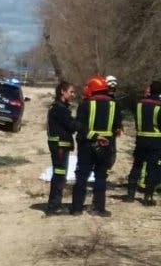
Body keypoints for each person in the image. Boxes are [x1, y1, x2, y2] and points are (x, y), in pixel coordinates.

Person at [70, 75, 123, 216]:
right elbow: (117, 126)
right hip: (106, 145)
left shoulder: (85, 104)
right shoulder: (114, 104)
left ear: (93, 88)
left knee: (82, 176)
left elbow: (80, 126)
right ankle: (99, 208)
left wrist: (92, 136)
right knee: (101, 176)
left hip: (87, 145)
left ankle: (76, 208)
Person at [126, 80, 161, 205]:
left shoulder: (139, 104)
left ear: (150, 90)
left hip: (141, 139)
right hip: (156, 141)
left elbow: (137, 121)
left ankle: (130, 194)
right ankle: (148, 197)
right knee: (152, 169)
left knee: (136, 166)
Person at [45, 80, 77, 215]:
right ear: (62, 92)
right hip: (59, 147)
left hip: (60, 147)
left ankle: (55, 204)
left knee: (60, 175)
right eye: (71, 92)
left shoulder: (60, 107)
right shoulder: (59, 108)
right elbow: (71, 125)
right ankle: (54, 206)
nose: (73, 95)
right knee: (59, 176)